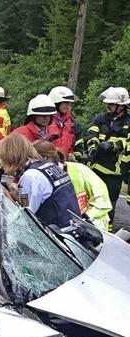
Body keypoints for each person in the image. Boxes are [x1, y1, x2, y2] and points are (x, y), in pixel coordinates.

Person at [0, 134, 80, 228]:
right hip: (72, 229)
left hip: (58, 235)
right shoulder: (47, 166)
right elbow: (29, 202)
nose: (2, 164)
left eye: (3, 159)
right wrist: (15, 194)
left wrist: (6, 195)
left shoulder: (30, 176)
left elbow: (26, 218)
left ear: (11, 157)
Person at [34, 141, 111, 231]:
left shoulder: (80, 170)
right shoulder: (37, 177)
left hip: (93, 224)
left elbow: (101, 198)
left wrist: (86, 219)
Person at [82, 87, 130, 225]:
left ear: (121, 105)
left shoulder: (128, 122)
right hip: (95, 167)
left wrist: (114, 146)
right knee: (91, 200)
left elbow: (127, 142)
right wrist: (92, 146)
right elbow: (91, 133)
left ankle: (106, 231)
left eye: (111, 104)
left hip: (114, 172)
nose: (107, 106)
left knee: (108, 204)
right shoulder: (100, 118)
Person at [48, 86, 80, 160]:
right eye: (66, 102)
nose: (69, 105)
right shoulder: (45, 122)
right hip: (48, 163)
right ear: (56, 103)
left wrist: (76, 155)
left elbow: (78, 143)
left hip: (67, 164)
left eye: (70, 103)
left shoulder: (73, 123)